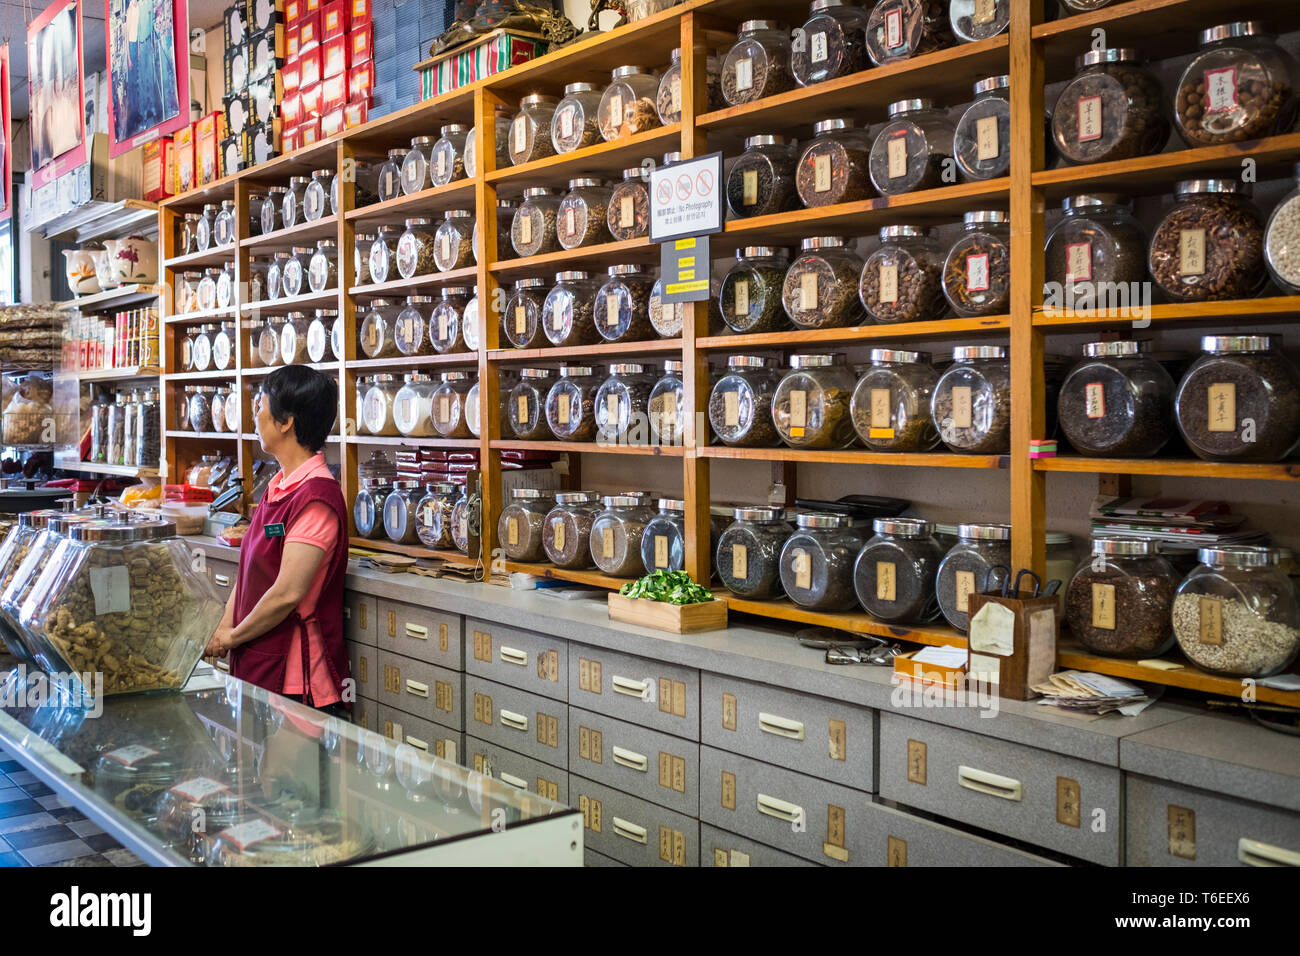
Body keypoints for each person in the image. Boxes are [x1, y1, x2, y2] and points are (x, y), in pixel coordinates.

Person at [204, 366, 351, 716]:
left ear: (285, 422)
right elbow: (250, 573)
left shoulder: (316, 498)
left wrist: (232, 637)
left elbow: (287, 593)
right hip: (258, 659)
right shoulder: (278, 486)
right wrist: (225, 626)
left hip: (297, 678)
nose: (255, 416)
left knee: (286, 774)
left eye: (260, 406)